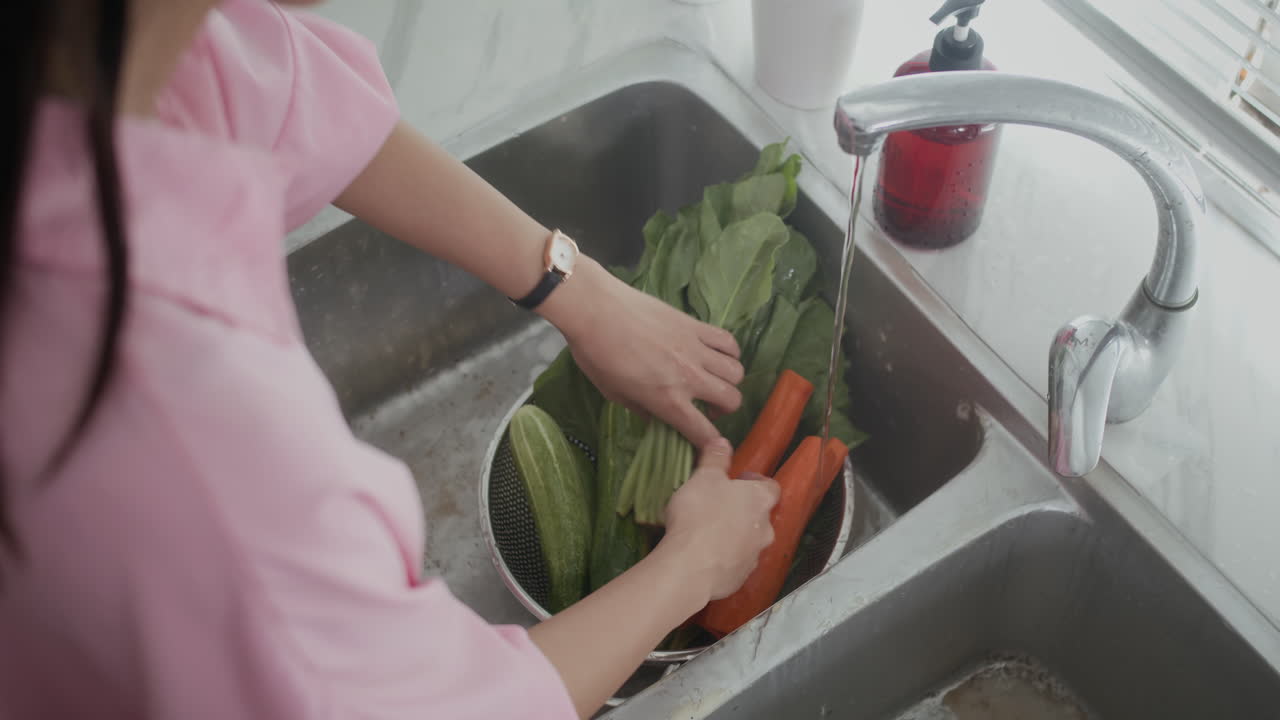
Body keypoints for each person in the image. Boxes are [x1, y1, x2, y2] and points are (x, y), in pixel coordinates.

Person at [0, 1, 782, 718]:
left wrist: (577, 289)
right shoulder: (196, 458)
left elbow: (286, 95)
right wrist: (693, 563)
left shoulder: (88, 55)